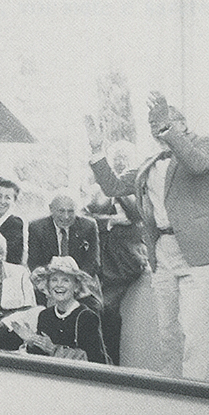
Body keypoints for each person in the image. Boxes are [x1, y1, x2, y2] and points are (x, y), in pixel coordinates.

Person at [86, 93, 209, 381]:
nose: (157, 127)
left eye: (164, 121)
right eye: (153, 122)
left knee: (196, 335)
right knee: (168, 334)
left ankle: (196, 398)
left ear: (183, 125)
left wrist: (167, 128)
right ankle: (172, 394)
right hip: (163, 253)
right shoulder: (149, 163)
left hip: (202, 255)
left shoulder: (208, 145)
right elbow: (113, 187)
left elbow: (197, 164)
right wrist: (96, 149)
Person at [85, 141, 149, 368]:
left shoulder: (138, 186)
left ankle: (110, 366)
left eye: (125, 158)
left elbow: (138, 215)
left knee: (106, 309)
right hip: (101, 261)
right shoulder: (97, 191)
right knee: (96, 310)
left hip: (125, 262)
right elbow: (85, 218)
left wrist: (118, 193)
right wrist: (111, 220)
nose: (120, 162)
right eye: (117, 158)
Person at [20, 256, 110, 364]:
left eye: (65, 280)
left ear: (76, 286)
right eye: (54, 280)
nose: (59, 285)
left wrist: (54, 349)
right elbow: (39, 358)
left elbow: (96, 361)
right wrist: (32, 343)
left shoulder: (86, 317)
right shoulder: (45, 316)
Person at [28, 192, 101, 278]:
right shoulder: (37, 228)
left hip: (79, 278)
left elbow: (93, 262)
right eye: (61, 211)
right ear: (51, 209)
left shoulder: (88, 226)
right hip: (49, 278)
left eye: (71, 211)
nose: (66, 216)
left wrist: (77, 279)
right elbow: (34, 262)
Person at [0, 177, 25, 266]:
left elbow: (10, 258)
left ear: (14, 200)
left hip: (6, 270)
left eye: (7, 198)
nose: (2, 201)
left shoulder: (15, 223)